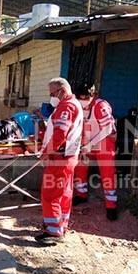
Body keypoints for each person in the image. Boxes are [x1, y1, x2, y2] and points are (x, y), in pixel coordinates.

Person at [36, 78, 84, 245]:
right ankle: (60, 224)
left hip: (60, 158)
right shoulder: (73, 104)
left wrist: (46, 152)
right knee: (64, 193)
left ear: (61, 91)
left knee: (50, 194)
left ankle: (53, 231)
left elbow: (60, 135)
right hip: (68, 157)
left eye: (52, 93)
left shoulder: (67, 106)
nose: (51, 97)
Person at [72, 82, 118, 220]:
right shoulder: (77, 106)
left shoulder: (101, 106)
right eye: (80, 97)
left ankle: (111, 206)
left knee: (107, 173)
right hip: (87, 139)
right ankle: (81, 194)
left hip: (104, 141)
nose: (83, 101)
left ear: (93, 95)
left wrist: (91, 145)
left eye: (86, 97)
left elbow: (108, 129)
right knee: (80, 167)